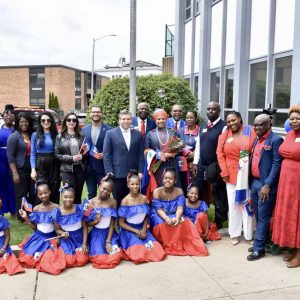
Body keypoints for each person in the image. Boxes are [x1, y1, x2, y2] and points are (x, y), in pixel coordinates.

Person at [247, 114, 283, 261]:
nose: (257, 127)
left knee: (263, 217)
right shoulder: (256, 138)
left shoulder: (276, 140)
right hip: (254, 183)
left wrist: (267, 184)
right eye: (255, 125)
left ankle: (259, 249)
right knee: (257, 214)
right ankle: (261, 241)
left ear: (269, 125)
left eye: (260, 125)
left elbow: (276, 164)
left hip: (265, 185)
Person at [217, 111, 256, 245]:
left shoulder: (250, 131)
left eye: (233, 120)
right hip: (232, 173)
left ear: (239, 119)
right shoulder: (224, 135)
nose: (231, 123)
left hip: (248, 173)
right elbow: (220, 154)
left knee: (248, 204)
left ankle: (249, 234)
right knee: (234, 204)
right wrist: (224, 171)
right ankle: (234, 233)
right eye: (228, 122)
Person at [150, 168, 208, 256]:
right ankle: (169, 244)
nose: (167, 180)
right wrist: (166, 218)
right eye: (165, 178)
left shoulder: (179, 191)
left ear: (175, 180)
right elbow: (159, 209)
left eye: (170, 178)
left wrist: (177, 218)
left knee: (185, 221)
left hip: (174, 214)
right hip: (159, 215)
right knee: (162, 224)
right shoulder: (157, 191)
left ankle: (184, 242)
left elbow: (180, 208)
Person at [272, 106, 300, 268]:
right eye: (292, 119)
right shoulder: (289, 134)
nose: (294, 121)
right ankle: (293, 248)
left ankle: (299, 253)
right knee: (289, 214)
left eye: (297, 118)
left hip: (298, 181)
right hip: (286, 181)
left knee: (298, 214)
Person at [193, 101, 228, 229]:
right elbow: (198, 145)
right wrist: (196, 162)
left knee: (218, 194)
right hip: (202, 164)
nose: (210, 111)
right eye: (208, 109)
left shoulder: (223, 127)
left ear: (219, 111)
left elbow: (224, 148)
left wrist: (220, 167)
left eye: (213, 109)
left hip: (215, 166)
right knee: (198, 190)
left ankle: (219, 221)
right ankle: (199, 216)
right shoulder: (202, 125)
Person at [118, 172, 166, 264]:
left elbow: (146, 215)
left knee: (158, 252)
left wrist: (144, 229)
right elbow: (121, 223)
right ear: (128, 185)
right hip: (129, 230)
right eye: (132, 184)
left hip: (142, 228)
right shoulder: (125, 201)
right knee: (138, 255)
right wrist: (136, 231)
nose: (135, 186)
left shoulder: (144, 198)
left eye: (137, 184)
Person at [103, 110, 144, 205]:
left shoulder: (137, 134)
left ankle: (129, 219)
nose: (126, 121)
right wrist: (109, 171)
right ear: (119, 120)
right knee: (118, 199)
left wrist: (141, 171)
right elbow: (107, 155)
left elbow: (140, 154)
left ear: (131, 120)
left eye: (128, 119)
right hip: (117, 173)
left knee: (132, 198)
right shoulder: (110, 134)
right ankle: (118, 219)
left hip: (133, 173)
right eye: (123, 119)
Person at [18, 183, 59, 269]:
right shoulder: (36, 208)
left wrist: (58, 238)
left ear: (50, 192)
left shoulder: (56, 207)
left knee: (51, 260)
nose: (43, 195)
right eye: (40, 194)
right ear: (38, 195)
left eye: (45, 192)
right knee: (29, 259)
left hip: (52, 238)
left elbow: (59, 227)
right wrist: (26, 218)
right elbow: (35, 228)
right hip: (39, 237)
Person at [84, 178, 123, 269]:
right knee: (99, 258)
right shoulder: (91, 202)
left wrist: (108, 241)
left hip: (110, 233)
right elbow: (86, 224)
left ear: (111, 192)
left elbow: (112, 222)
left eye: (108, 190)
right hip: (97, 233)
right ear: (99, 187)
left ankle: (110, 246)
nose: (105, 191)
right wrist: (96, 222)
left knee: (116, 255)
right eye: (103, 188)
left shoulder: (113, 202)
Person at [50, 186, 89, 268]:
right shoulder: (57, 212)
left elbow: (85, 228)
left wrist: (84, 243)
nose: (68, 199)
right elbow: (57, 230)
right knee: (69, 261)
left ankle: (79, 253)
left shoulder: (79, 208)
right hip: (67, 239)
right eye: (65, 197)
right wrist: (63, 233)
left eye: (71, 197)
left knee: (82, 261)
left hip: (79, 238)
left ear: (74, 197)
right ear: (61, 197)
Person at [145, 109, 184, 188]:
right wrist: (157, 154)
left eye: (163, 118)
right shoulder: (150, 134)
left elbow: (180, 149)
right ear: (155, 120)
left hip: (172, 163)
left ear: (166, 119)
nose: (161, 121)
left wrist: (172, 154)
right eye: (158, 119)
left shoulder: (173, 132)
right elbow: (146, 150)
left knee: (173, 185)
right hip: (157, 165)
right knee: (159, 185)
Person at [7, 112, 35, 220]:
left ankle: (32, 214)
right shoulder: (14, 137)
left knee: (33, 192)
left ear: (29, 122)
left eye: (26, 121)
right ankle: (22, 217)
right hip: (20, 169)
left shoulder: (33, 134)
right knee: (21, 194)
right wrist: (15, 173)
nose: (24, 124)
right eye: (21, 122)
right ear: (18, 123)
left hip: (32, 169)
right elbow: (10, 156)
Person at [82, 105, 112, 199]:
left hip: (103, 168)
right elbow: (82, 147)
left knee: (105, 194)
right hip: (89, 168)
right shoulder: (84, 130)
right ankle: (92, 214)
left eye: (98, 112)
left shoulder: (109, 130)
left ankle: (106, 213)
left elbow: (113, 148)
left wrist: (106, 153)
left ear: (102, 114)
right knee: (91, 194)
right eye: (94, 112)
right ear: (90, 114)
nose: (96, 114)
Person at [55, 112, 86, 204]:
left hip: (80, 169)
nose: (71, 122)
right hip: (66, 170)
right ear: (65, 121)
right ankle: (68, 215)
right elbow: (57, 154)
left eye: (74, 120)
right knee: (68, 194)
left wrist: (83, 156)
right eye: (69, 120)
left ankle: (77, 215)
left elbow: (85, 151)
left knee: (78, 194)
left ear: (76, 122)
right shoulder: (60, 137)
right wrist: (71, 158)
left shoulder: (81, 136)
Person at [30, 112, 60, 204]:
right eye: (43, 120)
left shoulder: (56, 135)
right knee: (41, 188)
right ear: (40, 122)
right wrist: (33, 169)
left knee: (54, 189)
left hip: (54, 164)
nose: (46, 122)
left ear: (51, 121)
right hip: (40, 164)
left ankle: (54, 213)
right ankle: (40, 214)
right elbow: (33, 153)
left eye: (48, 120)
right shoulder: (35, 135)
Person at [0, 199, 24, 276]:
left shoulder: (3, 220)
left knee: (7, 260)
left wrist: (3, 248)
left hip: (2, 243)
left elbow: (7, 236)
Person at [178, 111, 200, 193]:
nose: (189, 119)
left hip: (195, 162)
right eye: (187, 118)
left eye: (191, 117)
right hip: (182, 162)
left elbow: (202, 145)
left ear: (195, 119)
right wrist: (187, 152)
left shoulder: (200, 131)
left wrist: (194, 154)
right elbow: (176, 145)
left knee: (194, 184)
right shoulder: (180, 131)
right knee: (183, 183)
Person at [0, 105, 16, 215]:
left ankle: (13, 210)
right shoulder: (0, 129)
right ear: (3, 116)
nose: (8, 117)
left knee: (13, 185)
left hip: (13, 160)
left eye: (11, 115)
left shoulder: (17, 130)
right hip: (1, 160)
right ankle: (2, 209)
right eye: (6, 114)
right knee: (2, 184)